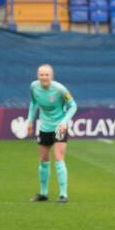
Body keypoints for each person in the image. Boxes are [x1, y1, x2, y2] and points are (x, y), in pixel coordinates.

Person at [27, 64, 77, 203]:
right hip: (44, 127)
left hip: (59, 127)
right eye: (41, 74)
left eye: (46, 75)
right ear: (38, 76)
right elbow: (33, 102)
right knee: (43, 160)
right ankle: (43, 193)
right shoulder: (33, 87)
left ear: (51, 76)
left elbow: (73, 106)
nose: (44, 77)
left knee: (58, 157)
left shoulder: (60, 89)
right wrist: (30, 120)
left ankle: (63, 195)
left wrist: (64, 122)